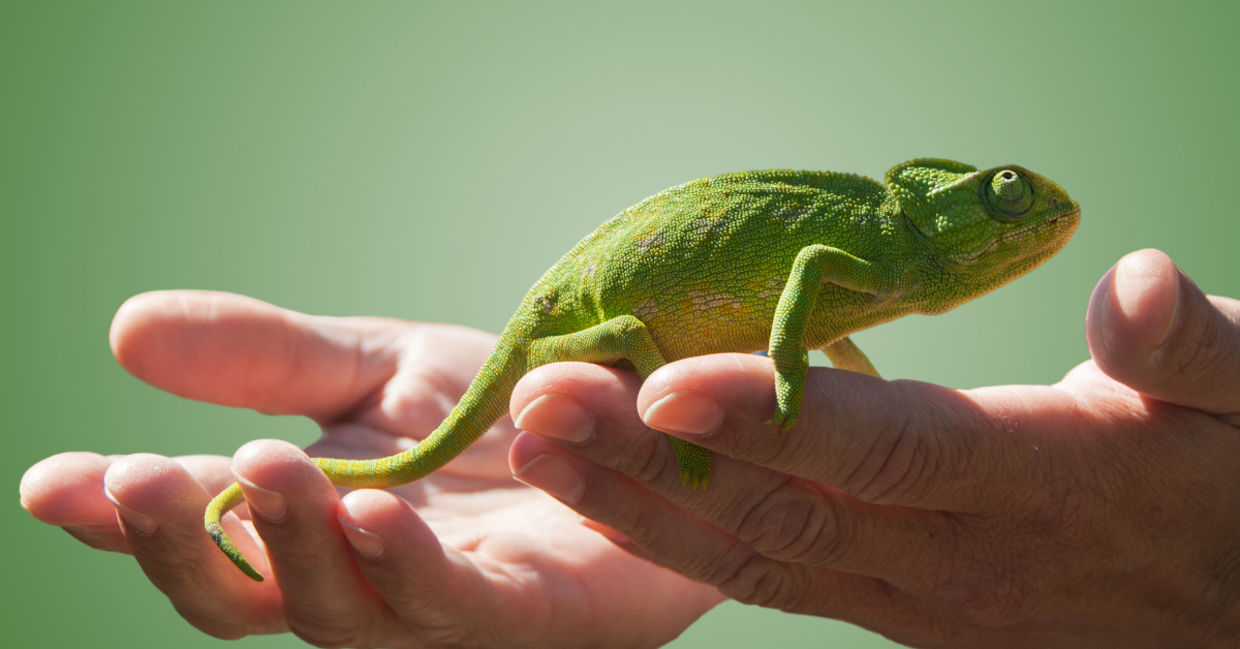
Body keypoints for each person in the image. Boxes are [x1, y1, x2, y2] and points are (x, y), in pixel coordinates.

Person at [20, 249, 1240, 648]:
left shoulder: (884, 279)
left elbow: (824, 328)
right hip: (595, 322)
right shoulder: (863, 242)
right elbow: (805, 278)